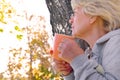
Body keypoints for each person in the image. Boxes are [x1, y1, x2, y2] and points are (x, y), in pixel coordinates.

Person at [51, 0, 120, 80]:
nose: (71, 20)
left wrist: (77, 59)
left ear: (92, 16)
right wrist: (70, 73)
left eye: (75, 13)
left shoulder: (116, 42)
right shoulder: (88, 54)